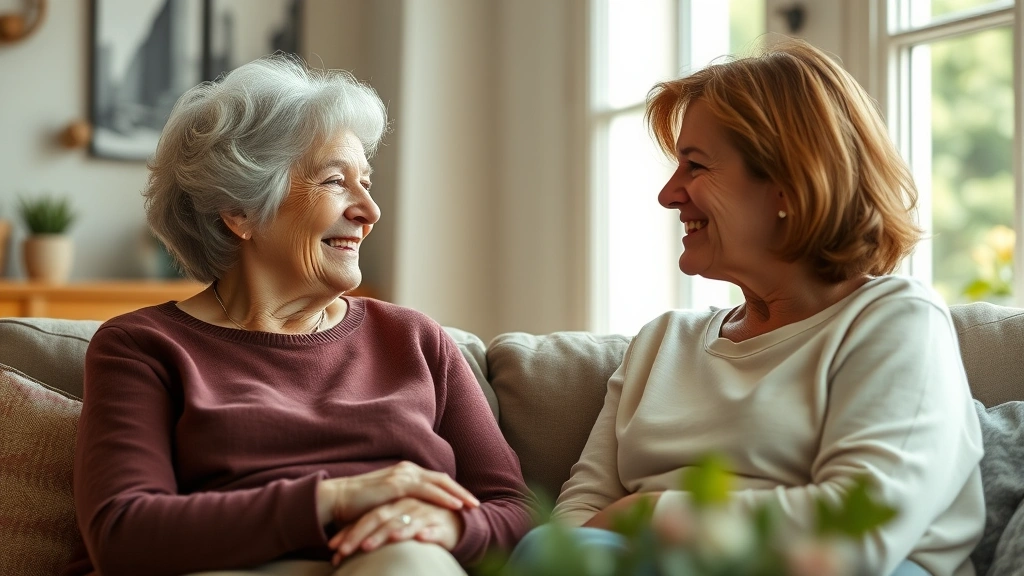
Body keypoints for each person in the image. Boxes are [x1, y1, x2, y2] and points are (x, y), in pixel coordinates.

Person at [512, 40, 984, 576]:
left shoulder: (894, 321)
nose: (669, 194)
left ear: (788, 183)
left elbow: (855, 532)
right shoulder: (663, 342)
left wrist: (648, 511)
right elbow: (578, 517)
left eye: (695, 165)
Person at [67, 55, 532, 576]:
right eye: (335, 182)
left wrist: (452, 528)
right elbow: (124, 534)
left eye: (368, 183)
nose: (369, 211)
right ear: (240, 211)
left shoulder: (413, 339)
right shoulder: (143, 346)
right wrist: (336, 499)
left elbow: (516, 511)